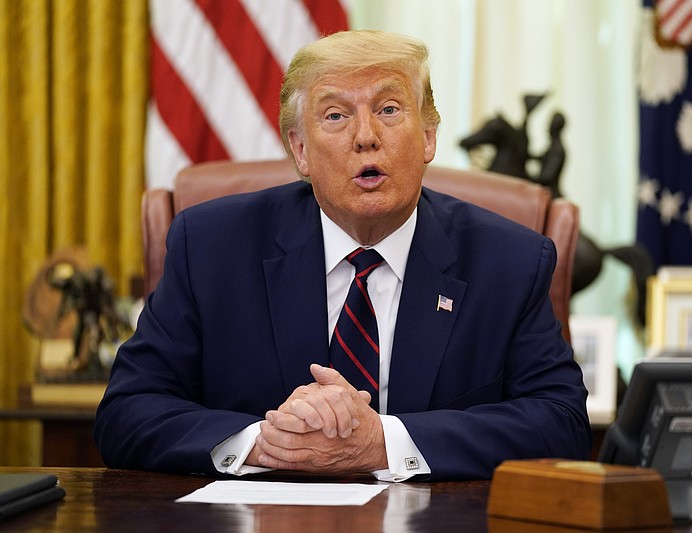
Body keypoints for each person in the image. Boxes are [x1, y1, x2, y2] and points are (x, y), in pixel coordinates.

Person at [94, 29, 591, 481]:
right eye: (335, 115)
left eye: (390, 109)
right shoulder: (212, 247)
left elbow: (562, 423)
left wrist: (384, 443)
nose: (366, 136)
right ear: (301, 150)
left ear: (428, 137)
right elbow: (127, 412)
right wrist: (265, 445)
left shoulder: (509, 260)